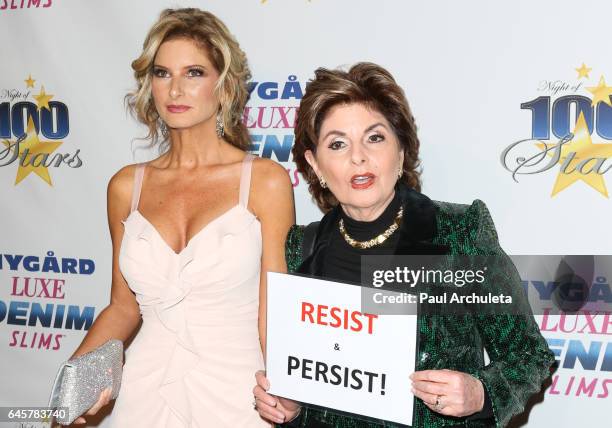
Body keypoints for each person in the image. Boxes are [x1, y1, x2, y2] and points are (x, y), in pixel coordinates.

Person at [253, 62, 556, 427]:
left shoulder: (458, 233)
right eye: (337, 144)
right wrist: (292, 407)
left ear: (400, 151)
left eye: (375, 137)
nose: (358, 156)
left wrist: (481, 393)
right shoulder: (300, 248)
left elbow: (528, 354)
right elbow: (313, 388)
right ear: (315, 165)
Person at [67, 8, 294, 427]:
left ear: (223, 87)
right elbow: (122, 308)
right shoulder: (125, 187)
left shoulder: (265, 181)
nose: (175, 88)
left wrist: (285, 389)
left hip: (241, 392)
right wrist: (72, 384)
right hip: (143, 390)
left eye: (193, 72)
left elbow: (275, 311)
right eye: (161, 73)